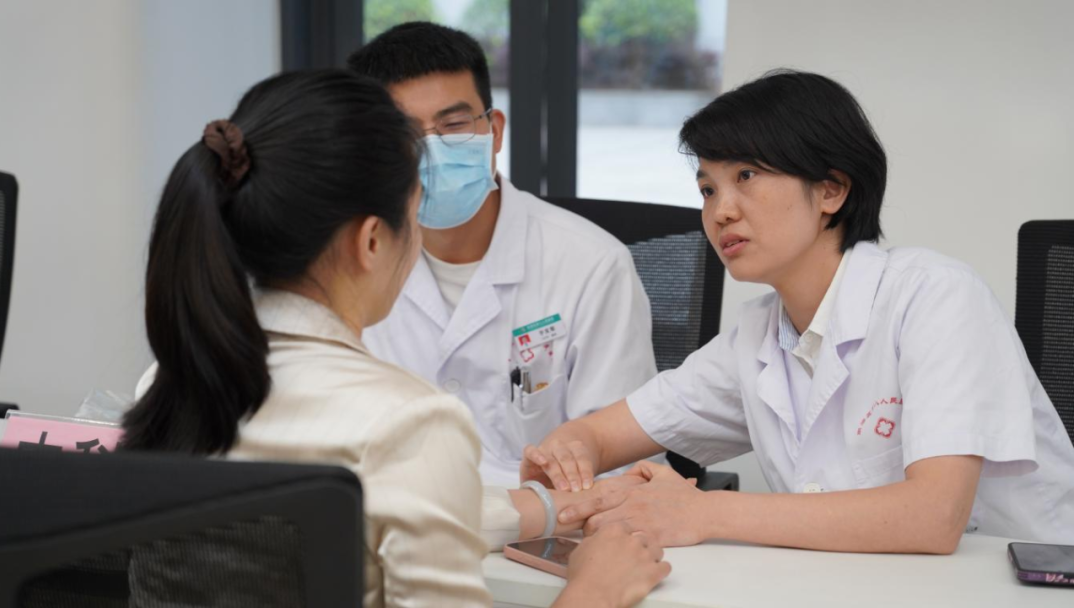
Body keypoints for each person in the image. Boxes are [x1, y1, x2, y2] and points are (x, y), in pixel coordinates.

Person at [123, 69, 669, 607]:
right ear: (371, 241)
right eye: (413, 214)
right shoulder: (410, 422)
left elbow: (371, 504)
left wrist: (547, 508)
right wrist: (593, 592)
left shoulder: (168, 383)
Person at [521, 69, 1074, 553]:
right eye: (708, 189)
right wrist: (569, 451)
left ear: (831, 190)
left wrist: (704, 513)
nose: (720, 211)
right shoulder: (757, 336)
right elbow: (603, 434)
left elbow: (934, 516)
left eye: (746, 177)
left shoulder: (936, 296)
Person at [348, 22, 658, 488]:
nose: (432, 150)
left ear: (493, 131)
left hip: (548, 522)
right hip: (399, 517)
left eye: (454, 125)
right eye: (404, 134)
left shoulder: (592, 265)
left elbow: (624, 463)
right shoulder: (351, 262)